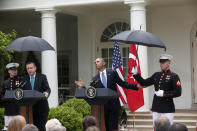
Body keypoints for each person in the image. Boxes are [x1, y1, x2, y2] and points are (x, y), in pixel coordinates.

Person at [75, 58, 140, 131]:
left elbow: (123, 83)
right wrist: (83, 87)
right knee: (106, 126)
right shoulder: (95, 78)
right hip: (103, 106)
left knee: (113, 126)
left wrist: (136, 86)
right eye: (95, 62)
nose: (96, 63)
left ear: (104, 63)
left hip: (114, 104)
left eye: (98, 61)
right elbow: (91, 92)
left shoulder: (112, 73)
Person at [132, 54, 182, 125]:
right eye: (160, 62)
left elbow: (178, 92)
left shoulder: (174, 76)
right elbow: (144, 83)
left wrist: (164, 94)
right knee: (156, 127)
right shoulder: (156, 75)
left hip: (167, 108)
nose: (161, 64)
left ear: (169, 63)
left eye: (163, 62)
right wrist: (136, 74)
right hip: (156, 106)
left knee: (167, 128)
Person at [22, 61, 51, 131]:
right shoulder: (24, 79)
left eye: (31, 68)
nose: (29, 70)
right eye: (28, 68)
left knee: (41, 128)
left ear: (35, 68)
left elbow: (47, 88)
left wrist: (46, 93)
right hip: (29, 109)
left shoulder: (42, 77)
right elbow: (21, 90)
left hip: (41, 108)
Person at [0, 63, 21, 129]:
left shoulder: (21, 81)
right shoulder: (5, 83)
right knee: (8, 128)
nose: (14, 71)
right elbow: (1, 94)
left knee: (18, 128)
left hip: (18, 109)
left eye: (15, 70)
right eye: (12, 70)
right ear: (9, 71)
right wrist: (4, 98)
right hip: (8, 110)